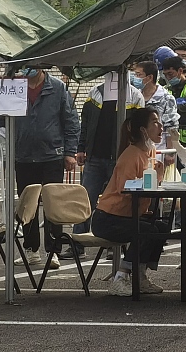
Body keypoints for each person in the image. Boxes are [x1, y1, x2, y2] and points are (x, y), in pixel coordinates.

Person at [91, 108, 169, 296]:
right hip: (109, 218)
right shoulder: (131, 154)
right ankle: (120, 278)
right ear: (143, 130)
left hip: (128, 216)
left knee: (161, 227)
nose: (160, 126)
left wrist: (158, 177)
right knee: (146, 231)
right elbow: (125, 188)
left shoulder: (149, 152)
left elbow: (149, 185)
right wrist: (153, 179)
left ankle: (140, 276)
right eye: (155, 122)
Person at [9, 65, 79, 268]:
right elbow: (3, 122)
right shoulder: (15, 87)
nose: (27, 70)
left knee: (52, 205)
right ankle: (31, 250)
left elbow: (71, 121)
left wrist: (70, 152)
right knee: (27, 205)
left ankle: (53, 250)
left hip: (52, 155)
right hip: (23, 156)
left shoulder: (57, 88)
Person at [72, 72, 145, 257]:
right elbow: (85, 124)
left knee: (117, 201)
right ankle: (77, 244)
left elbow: (139, 129)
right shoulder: (94, 94)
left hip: (120, 158)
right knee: (85, 200)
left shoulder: (134, 96)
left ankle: (114, 246)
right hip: (95, 156)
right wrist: (81, 148)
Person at [132, 61, 180, 151]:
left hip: (159, 149)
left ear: (150, 77)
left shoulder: (166, 98)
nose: (135, 78)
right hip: (138, 148)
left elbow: (171, 126)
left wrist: (170, 151)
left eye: (139, 75)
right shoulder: (134, 96)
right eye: (135, 75)